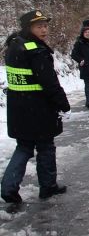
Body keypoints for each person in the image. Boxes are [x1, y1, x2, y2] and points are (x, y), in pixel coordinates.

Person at [1, 10, 70, 204]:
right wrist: (63, 105)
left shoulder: (14, 45)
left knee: (23, 147)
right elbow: (49, 83)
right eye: (39, 26)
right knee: (46, 147)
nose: (44, 30)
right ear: (28, 27)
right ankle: (48, 187)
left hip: (18, 107)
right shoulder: (35, 50)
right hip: (38, 108)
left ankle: (8, 187)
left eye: (45, 25)